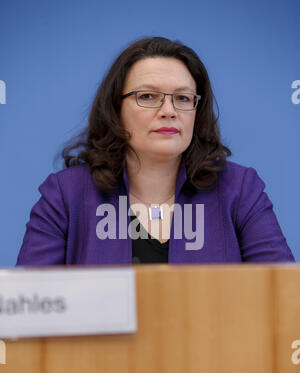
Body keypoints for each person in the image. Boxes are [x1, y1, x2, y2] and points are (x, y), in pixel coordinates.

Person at [16, 37, 294, 266]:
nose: (169, 112)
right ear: (116, 109)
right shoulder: (66, 194)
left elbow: (284, 299)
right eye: (148, 96)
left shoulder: (240, 190)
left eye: (183, 98)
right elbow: (31, 308)